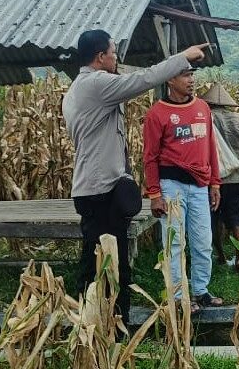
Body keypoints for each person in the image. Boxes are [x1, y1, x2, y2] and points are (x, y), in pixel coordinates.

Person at [63, 29, 208, 325]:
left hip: (94, 188)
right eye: (114, 53)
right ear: (101, 57)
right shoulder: (97, 84)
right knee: (108, 265)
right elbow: (143, 79)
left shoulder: (78, 88)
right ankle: (111, 328)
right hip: (100, 191)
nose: (117, 58)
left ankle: (99, 325)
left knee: (98, 261)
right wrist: (182, 57)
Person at [143, 68, 223, 313]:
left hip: (199, 185)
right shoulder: (157, 114)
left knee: (203, 241)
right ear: (170, 79)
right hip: (171, 186)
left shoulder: (202, 108)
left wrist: (215, 183)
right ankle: (178, 296)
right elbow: (150, 157)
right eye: (185, 75)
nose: (191, 80)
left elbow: (211, 147)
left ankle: (201, 291)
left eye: (192, 75)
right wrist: (155, 194)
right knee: (175, 242)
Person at [201, 83, 239, 272]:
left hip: (214, 179)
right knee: (236, 215)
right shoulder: (237, 119)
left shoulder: (206, 118)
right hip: (237, 176)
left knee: (214, 217)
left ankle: (220, 255)